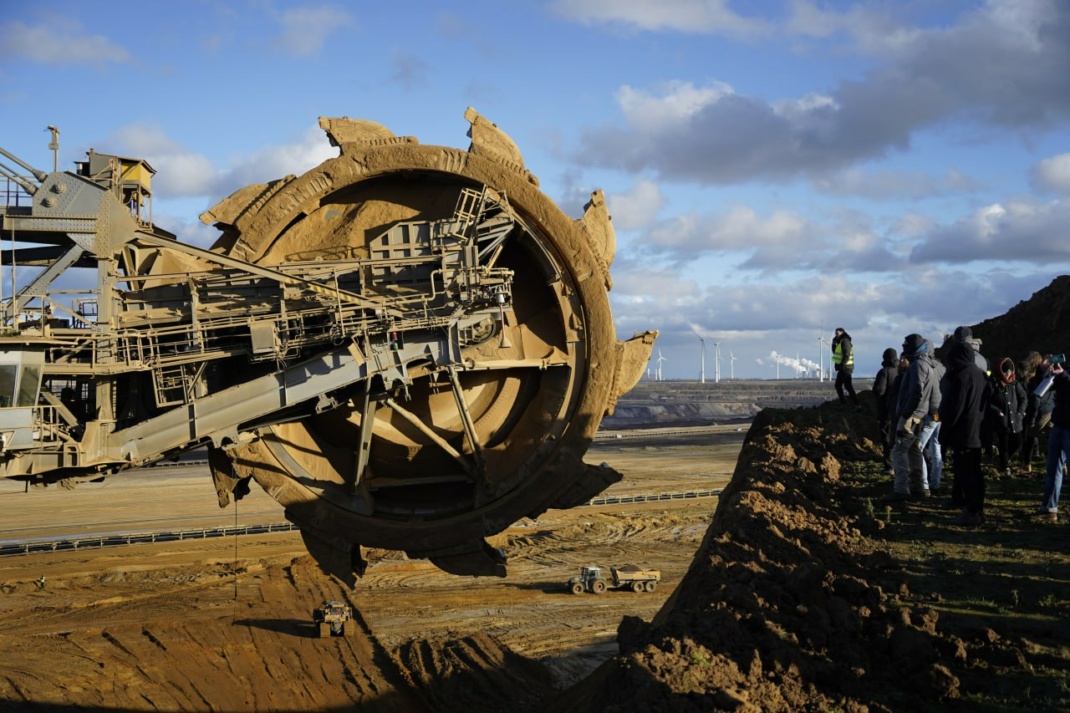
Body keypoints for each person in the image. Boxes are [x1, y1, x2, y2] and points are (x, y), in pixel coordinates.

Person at [939, 338, 990, 525]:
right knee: (976, 472)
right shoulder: (981, 374)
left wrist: (945, 434)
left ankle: (972, 512)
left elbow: (955, 409)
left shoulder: (961, 377)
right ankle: (978, 509)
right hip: (977, 431)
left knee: (966, 473)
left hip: (963, 432)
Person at [888, 334, 939, 500]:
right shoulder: (929, 365)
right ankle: (919, 488)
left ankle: (901, 489)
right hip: (920, 416)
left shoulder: (917, 366)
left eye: (906, 345)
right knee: (915, 450)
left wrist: (906, 413)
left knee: (899, 451)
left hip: (911, 417)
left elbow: (917, 392)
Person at [1037, 359, 1070, 523]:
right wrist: (1047, 373)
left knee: (1057, 469)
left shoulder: (1066, 374)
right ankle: (1049, 507)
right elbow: (1047, 389)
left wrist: (1062, 375)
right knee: (1053, 468)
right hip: (1059, 424)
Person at [988, 357, 1027, 476]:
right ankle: (1005, 466)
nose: (1008, 374)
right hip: (1002, 420)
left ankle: (1003, 460)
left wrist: (1020, 411)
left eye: (1010, 372)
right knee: (1003, 445)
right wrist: (997, 411)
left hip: (1016, 419)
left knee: (1018, 442)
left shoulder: (1015, 383)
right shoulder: (993, 384)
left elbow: (1023, 397)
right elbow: (986, 401)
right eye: (1006, 372)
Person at [1022, 353, 1055, 473]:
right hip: (1052, 411)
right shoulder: (1053, 374)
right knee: (1054, 439)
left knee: (1029, 437)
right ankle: (1062, 466)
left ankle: (1027, 464)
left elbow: (1035, 400)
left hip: (1040, 412)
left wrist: (1031, 420)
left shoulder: (1038, 377)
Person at [873, 347, 899, 472]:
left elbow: (879, 390)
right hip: (899, 409)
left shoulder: (884, 372)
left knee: (886, 436)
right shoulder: (901, 371)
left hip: (886, 409)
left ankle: (889, 466)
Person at [831, 327, 860, 409]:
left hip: (846, 367)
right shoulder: (840, 342)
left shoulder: (845, 341)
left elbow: (846, 355)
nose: (836, 335)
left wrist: (842, 365)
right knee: (838, 385)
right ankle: (844, 403)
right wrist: (833, 343)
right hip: (842, 368)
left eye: (837, 333)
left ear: (842, 332)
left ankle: (857, 404)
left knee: (848, 386)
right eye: (835, 333)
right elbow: (835, 352)